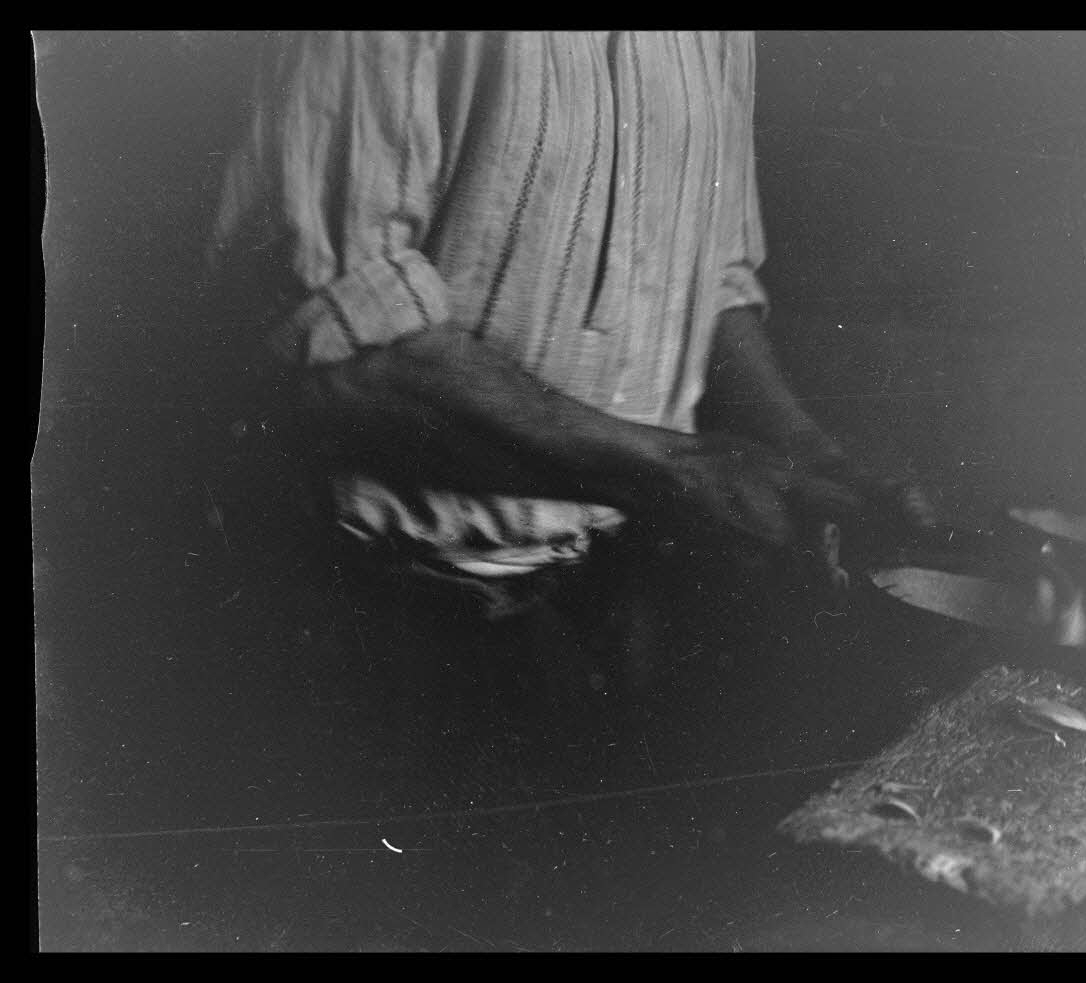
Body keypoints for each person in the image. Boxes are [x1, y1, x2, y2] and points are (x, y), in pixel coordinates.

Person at [208, 31, 931, 763]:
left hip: (604, 595)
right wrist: (678, 469)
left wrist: (807, 453)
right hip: (378, 618)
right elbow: (335, 347)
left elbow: (716, 281)